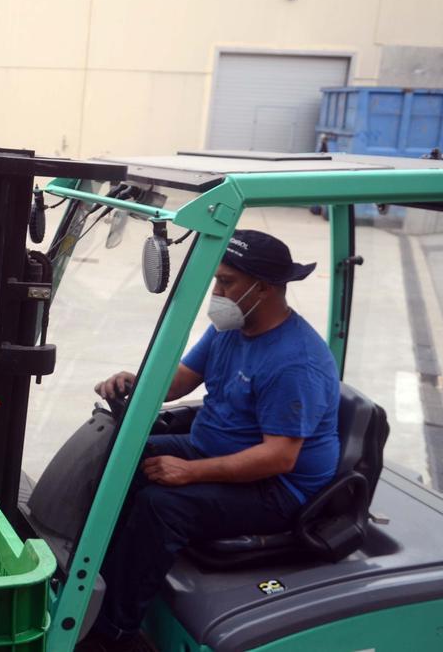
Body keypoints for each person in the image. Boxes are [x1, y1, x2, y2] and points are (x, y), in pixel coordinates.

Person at [81, 229, 341, 652]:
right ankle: (90, 581)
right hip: (215, 448)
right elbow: (181, 379)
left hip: (277, 488)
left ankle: (112, 631)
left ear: (265, 288)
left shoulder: (295, 361)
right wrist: (136, 381)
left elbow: (279, 457)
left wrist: (189, 472)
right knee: (118, 459)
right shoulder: (231, 327)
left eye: (226, 282)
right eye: (216, 280)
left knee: (161, 506)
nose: (216, 291)